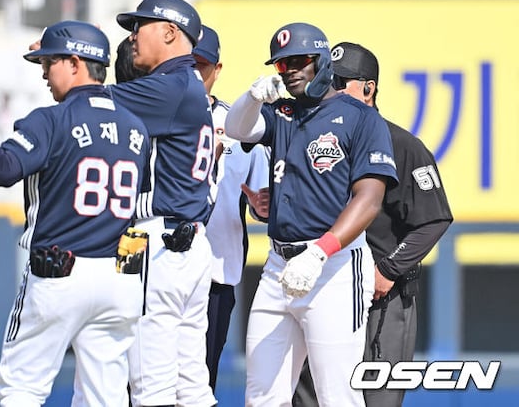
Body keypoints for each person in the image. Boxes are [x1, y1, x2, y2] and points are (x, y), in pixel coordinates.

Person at [0, 20, 151, 407]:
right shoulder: (136, 127)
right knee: (105, 398)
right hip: (119, 278)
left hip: (59, 273)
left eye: (49, 62)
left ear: (75, 63)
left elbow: (3, 168)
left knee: (21, 389)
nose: (44, 73)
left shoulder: (50, 119)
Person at [224, 22, 398, 406]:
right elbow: (236, 128)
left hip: (333, 266)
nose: (290, 70)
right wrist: (252, 97)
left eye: (299, 60)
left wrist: (320, 252)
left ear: (321, 61)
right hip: (277, 265)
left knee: (337, 396)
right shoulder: (282, 112)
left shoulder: (360, 117)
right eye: (282, 64)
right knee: (261, 396)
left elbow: (369, 199)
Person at [292, 42, 454, 407]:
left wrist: (388, 270)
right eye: (326, 79)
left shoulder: (401, 144)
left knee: (376, 398)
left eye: (341, 82)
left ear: (369, 88)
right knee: (310, 399)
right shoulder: (314, 136)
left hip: (382, 299)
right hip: (325, 288)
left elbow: (434, 219)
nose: (331, 88)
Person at [111, 0, 217, 407]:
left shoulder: (170, 87)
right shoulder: (188, 84)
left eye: (140, 27)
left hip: (154, 241)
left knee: (148, 385)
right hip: (187, 242)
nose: (133, 36)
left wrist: (75, 61)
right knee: (191, 386)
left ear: (171, 32)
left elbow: (85, 103)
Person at [193, 24, 270, 392]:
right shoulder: (155, 116)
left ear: (217, 69)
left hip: (216, 271)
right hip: (158, 268)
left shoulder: (238, 124)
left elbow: (261, 200)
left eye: (201, 65)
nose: (194, 73)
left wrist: (263, 206)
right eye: (186, 64)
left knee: (201, 381)